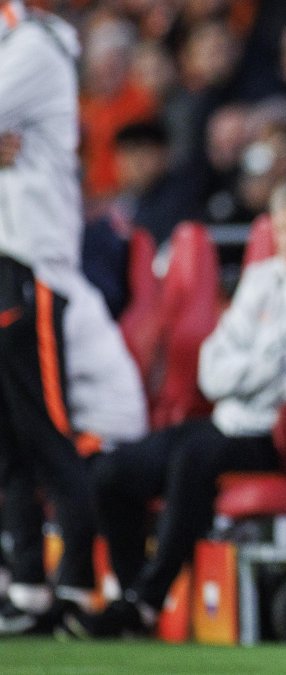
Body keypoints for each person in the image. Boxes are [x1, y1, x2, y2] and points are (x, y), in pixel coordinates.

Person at [63, 175, 286, 637]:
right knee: (115, 470)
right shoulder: (263, 276)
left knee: (194, 459)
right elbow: (212, 371)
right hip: (232, 418)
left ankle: (150, 601)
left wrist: (249, 374)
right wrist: (268, 371)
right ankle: (132, 599)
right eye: (282, 230)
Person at [0, 0, 147, 633]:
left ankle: (78, 583)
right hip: (17, 259)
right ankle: (30, 587)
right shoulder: (24, 46)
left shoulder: (35, 48)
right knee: (12, 441)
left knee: (47, 434)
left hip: (36, 266)